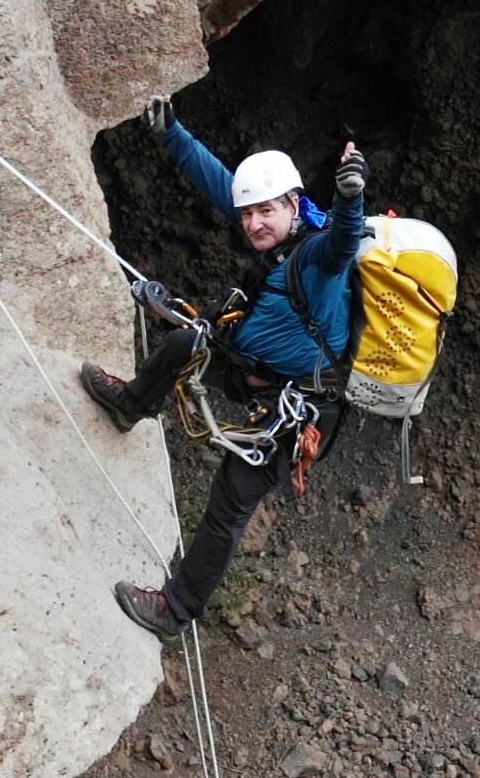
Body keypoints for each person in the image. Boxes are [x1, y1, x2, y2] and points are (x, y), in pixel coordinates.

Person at [81, 94, 368, 641]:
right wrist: (172, 133)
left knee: (231, 500)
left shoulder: (316, 258)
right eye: (249, 213)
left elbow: (343, 245)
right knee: (187, 340)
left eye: (267, 211)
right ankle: (130, 405)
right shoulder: (284, 236)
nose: (254, 223)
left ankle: (174, 611)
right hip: (253, 369)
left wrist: (351, 198)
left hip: (299, 410)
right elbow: (222, 184)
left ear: (293, 204)